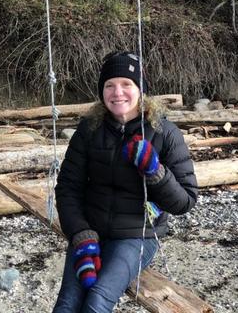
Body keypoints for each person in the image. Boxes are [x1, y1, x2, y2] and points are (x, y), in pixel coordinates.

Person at [53, 51, 198, 312]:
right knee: (67, 305)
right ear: (101, 91)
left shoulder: (165, 133)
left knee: (97, 300)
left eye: (126, 84)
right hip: (91, 232)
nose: (117, 92)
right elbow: (67, 188)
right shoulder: (89, 130)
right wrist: (80, 233)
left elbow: (185, 202)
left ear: (141, 89)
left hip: (136, 235)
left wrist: (156, 172)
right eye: (109, 85)